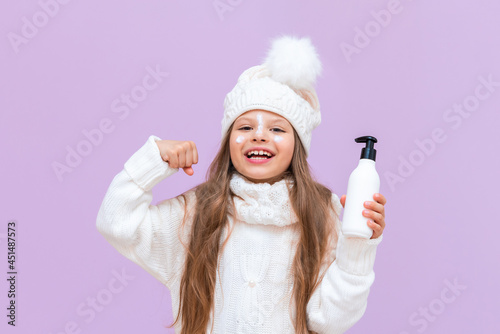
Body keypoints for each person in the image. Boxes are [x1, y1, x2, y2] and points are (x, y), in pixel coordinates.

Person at [96, 35, 387, 334]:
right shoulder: (198, 212)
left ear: (298, 145)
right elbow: (116, 223)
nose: (259, 135)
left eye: (276, 128)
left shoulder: (318, 215)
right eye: (245, 127)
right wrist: (153, 161)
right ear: (228, 142)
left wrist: (357, 247)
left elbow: (330, 320)